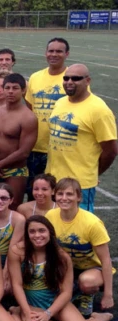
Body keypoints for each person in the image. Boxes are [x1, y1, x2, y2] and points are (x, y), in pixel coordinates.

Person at [8, 216, 112, 321]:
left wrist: (48, 314)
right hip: (30, 303)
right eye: (32, 231)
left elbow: (66, 292)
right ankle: (21, 311)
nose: (37, 235)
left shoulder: (62, 256)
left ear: (50, 233)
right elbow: (17, 285)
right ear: (27, 234)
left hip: (54, 302)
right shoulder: (17, 252)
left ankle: (97, 319)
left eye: (42, 231)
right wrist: (26, 311)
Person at [46, 64, 117, 212]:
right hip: (53, 179)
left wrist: (93, 172)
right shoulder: (60, 102)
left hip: (80, 183)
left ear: (88, 81)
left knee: (78, 228)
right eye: (66, 78)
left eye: (76, 78)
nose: (69, 81)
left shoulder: (99, 110)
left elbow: (111, 150)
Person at [46, 178, 114, 314]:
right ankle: (73, 287)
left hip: (92, 268)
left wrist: (108, 295)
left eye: (69, 194)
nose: (64, 198)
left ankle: (86, 294)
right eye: (60, 194)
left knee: (87, 282)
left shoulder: (92, 223)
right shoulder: (50, 216)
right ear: (55, 196)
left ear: (79, 197)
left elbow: (106, 260)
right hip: (67, 265)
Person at [25, 38, 71, 198]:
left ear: (67, 54)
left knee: (57, 196)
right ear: (46, 53)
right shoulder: (35, 77)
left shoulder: (72, 78)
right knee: (34, 194)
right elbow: (29, 111)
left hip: (60, 149)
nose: (54, 54)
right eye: (51, 51)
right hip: (35, 147)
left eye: (59, 51)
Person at [0, 73, 38, 210]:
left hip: (15, 171)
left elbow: (24, 152)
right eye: (7, 87)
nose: (10, 91)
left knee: (12, 207)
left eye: (15, 88)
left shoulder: (28, 117)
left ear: (23, 90)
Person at [0, 184, 25, 277]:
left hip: (10, 260)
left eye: (4, 198)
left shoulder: (18, 219)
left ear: (11, 200)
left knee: (6, 287)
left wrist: (4, 274)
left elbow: (12, 250)